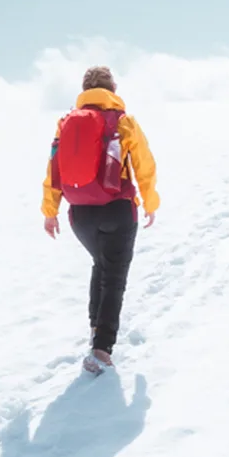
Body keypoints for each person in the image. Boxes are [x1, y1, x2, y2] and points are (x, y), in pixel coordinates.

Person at [42, 66, 160, 373]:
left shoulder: (66, 123)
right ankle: (101, 350)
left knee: (101, 265)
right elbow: (144, 165)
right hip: (116, 209)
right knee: (114, 277)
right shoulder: (122, 121)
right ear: (113, 90)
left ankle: (96, 331)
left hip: (80, 214)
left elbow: (54, 170)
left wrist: (50, 212)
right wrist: (150, 202)